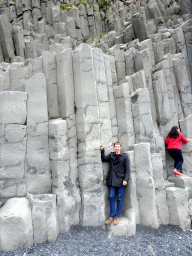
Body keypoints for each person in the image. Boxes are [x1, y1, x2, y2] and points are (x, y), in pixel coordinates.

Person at [100, 142, 130, 225]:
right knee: (111, 197)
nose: (117, 148)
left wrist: (125, 179)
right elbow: (104, 159)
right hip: (112, 180)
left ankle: (117, 216)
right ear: (114, 148)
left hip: (121, 180)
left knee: (120, 198)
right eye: (115, 147)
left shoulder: (124, 156)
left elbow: (127, 169)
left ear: (120, 147)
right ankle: (111, 217)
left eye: (118, 146)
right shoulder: (111, 155)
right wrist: (102, 150)